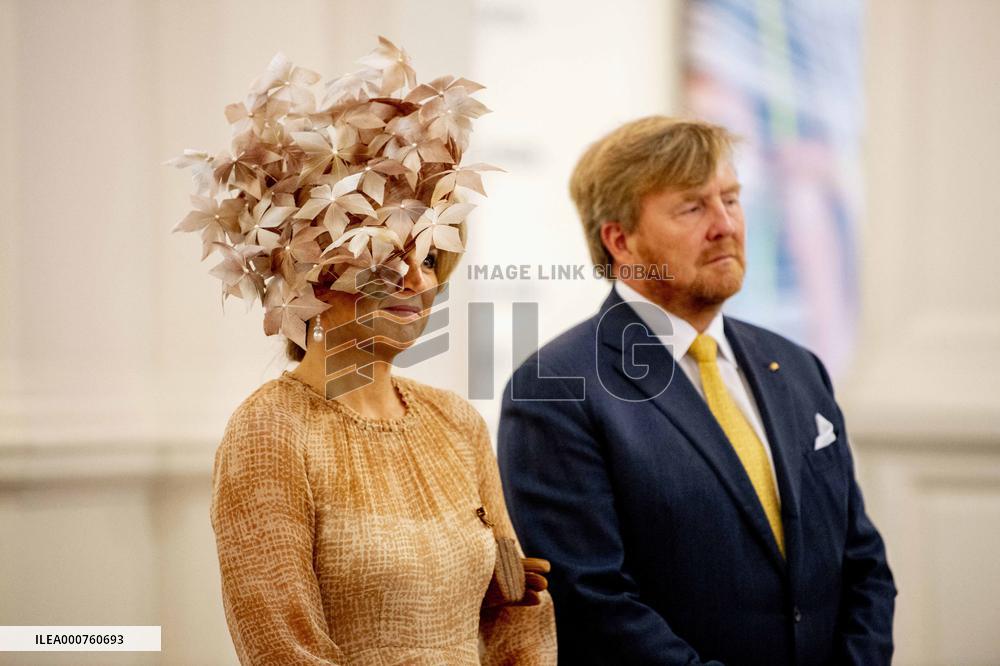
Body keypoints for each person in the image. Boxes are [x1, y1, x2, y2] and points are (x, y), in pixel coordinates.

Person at [170, 41, 557, 665]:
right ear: (308, 272)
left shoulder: (456, 424)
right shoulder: (270, 433)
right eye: (386, 255)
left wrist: (503, 601)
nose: (419, 279)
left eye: (429, 257)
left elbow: (518, 624)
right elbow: (282, 652)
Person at [496, 116, 895, 665]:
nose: (725, 225)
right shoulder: (555, 389)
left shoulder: (799, 368)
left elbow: (862, 562)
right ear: (621, 239)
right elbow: (594, 605)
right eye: (692, 207)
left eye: (730, 199)